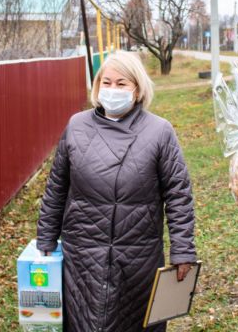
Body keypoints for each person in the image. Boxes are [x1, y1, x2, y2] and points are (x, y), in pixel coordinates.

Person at [36, 51, 197, 332]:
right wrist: (46, 240)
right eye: (106, 83)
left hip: (138, 258)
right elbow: (56, 188)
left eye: (121, 84)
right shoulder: (77, 126)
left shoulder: (160, 132)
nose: (112, 90)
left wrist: (183, 250)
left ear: (137, 89)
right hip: (82, 256)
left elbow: (178, 195)